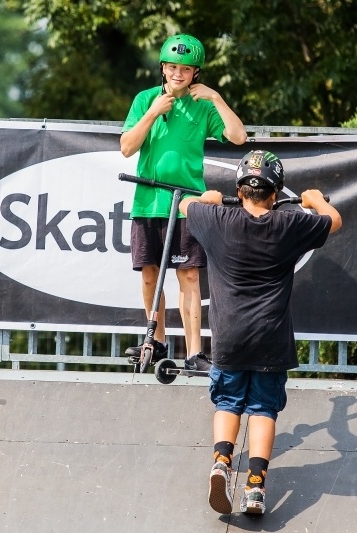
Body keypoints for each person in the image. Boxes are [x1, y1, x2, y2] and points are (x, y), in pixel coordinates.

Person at [179, 149, 343, 515]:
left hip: (229, 338)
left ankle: (222, 461)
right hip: (271, 339)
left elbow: (185, 206)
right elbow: (333, 220)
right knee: (263, 408)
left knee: (227, 401)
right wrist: (314, 200)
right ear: (275, 193)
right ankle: (255, 486)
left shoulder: (214, 219)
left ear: (239, 191)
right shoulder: (289, 226)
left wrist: (206, 198)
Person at [120, 33, 247, 372]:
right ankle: (157, 343)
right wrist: (152, 112)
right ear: (162, 68)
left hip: (187, 204)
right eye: (172, 67)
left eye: (186, 69)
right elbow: (127, 147)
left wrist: (217, 98)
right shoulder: (145, 98)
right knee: (149, 276)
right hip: (148, 202)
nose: (178, 74)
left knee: (188, 275)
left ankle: (194, 352)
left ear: (196, 73)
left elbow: (238, 137)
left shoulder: (204, 105)